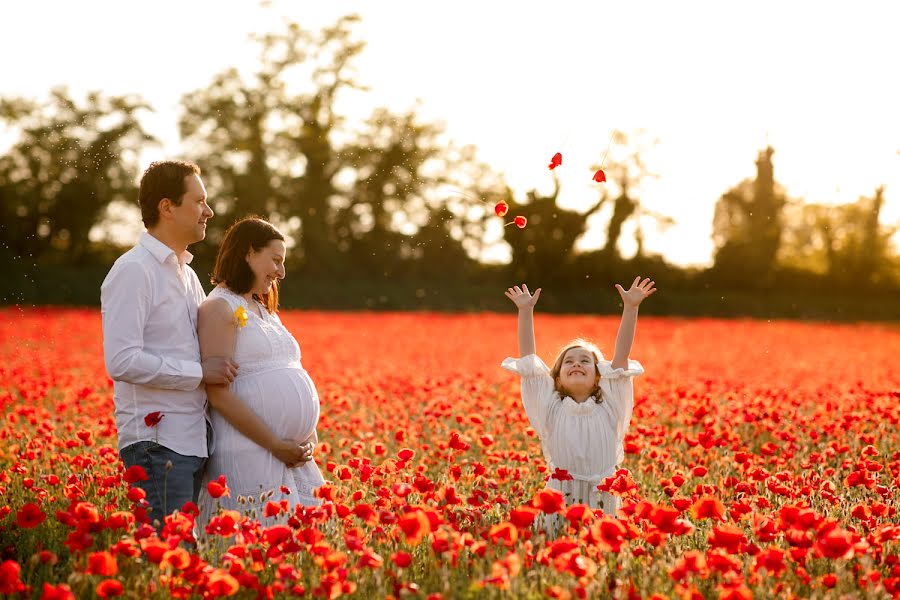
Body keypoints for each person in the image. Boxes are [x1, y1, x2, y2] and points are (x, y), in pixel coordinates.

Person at [101, 160, 238, 526]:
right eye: (199, 201)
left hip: (192, 439)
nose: (208, 211)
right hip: (156, 442)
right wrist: (199, 373)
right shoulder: (134, 270)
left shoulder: (187, 274)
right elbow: (122, 360)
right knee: (167, 562)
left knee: (181, 561)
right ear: (167, 207)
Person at [197, 217, 324, 526]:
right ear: (249, 253)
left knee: (301, 542)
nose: (281, 271)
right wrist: (275, 444)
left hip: (289, 455)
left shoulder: (261, 308)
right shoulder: (219, 308)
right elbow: (218, 394)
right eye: (276, 260)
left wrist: (306, 436)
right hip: (250, 449)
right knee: (259, 535)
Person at [502, 277, 656, 527]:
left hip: (602, 496)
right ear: (557, 380)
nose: (576, 364)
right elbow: (530, 362)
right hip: (560, 497)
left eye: (585, 361)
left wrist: (631, 308)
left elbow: (620, 359)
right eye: (568, 361)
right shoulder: (551, 408)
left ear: (599, 377)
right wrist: (525, 311)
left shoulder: (610, 406)